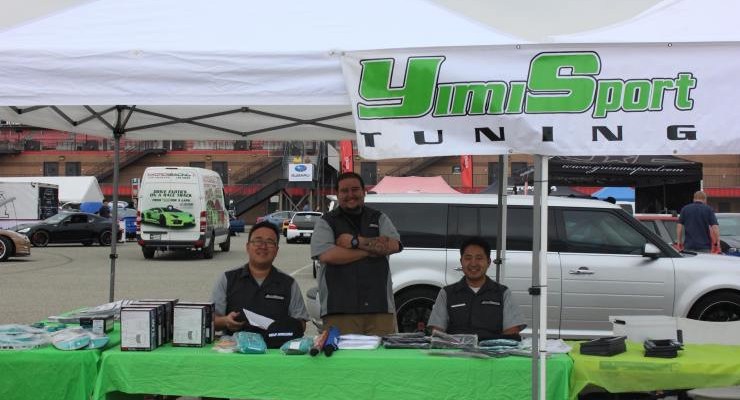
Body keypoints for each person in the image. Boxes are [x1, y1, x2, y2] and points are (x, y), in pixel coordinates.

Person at [310, 172, 402, 335]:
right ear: (337, 194)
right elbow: (327, 255)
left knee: (382, 352)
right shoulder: (326, 222)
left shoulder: (379, 218)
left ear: (363, 192)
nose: (350, 195)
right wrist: (370, 250)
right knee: (341, 353)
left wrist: (355, 242)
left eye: (355, 189)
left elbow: (394, 245)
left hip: (379, 309)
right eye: (344, 191)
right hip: (339, 310)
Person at [210, 221, 309, 342]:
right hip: (235, 348)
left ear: (276, 250)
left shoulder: (289, 283)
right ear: (247, 247)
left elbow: (301, 324)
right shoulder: (227, 279)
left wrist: (281, 328)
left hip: (276, 349)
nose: (263, 246)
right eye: (258, 241)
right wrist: (225, 321)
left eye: (270, 242)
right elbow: (210, 319)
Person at [427, 236, 526, 340]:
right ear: (461, 261)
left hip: (491, 349)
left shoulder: (503, 293)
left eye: (479, 258)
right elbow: (437, 332)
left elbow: (512, 333)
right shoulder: (446, 293)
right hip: (456, 349)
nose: (473, 263)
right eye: (468, 258)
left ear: (488, 262)